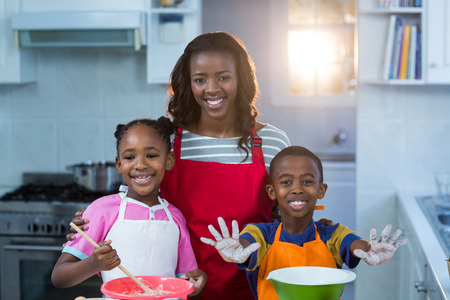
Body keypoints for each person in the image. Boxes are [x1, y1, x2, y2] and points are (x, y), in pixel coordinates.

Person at [67, 31, 301, 299]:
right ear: (189, 84)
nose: (211, 89)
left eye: (223, 77)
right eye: (200, 79)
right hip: (173, 291)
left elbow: (285, 217)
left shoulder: (272, 142)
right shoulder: (168, 140)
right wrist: (91, 226)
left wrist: (317, 228)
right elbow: (137, 201)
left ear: (241, 80)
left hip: (254, 288)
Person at [200, 145, 408, 300]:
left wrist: (371, 249)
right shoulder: (261, 235)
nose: (297, 188)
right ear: (272, 192)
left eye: (307, 181)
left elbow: (356, 245)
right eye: (286, 182)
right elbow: (246, 246)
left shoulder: (333, 235)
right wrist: (237, 250)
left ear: (321, 190)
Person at [52, 117, 206, 298]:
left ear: (169, 160)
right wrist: (94, 264)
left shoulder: (175, 217)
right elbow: (59, 277)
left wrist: (196, 282)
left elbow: (184, 280)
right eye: (130, 157)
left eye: (151, 155)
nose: (140, 165)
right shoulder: (102, 210)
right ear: (119, 164)